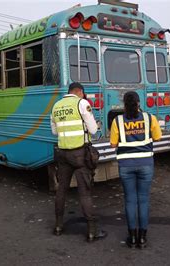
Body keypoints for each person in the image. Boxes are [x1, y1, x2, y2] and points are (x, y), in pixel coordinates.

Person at [50, 82, 107, 242]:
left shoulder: (56, 106)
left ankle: (59, 226)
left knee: (61, 190)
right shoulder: (82, 103)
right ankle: (91, 231)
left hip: (62, 154)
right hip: (80, 154)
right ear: (80, 92)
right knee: (85, 193)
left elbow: (55, 131)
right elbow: (94, 130)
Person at [110, 91, 162, 249]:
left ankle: (132, 238)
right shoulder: (149, 118)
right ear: (139, 103)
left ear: (124, 104)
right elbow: (158, 137)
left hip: (126, 166)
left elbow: (113, 144)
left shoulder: (117, 121)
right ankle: (143, 239)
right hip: (146, 164)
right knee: (144, 200)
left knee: (130, 200)